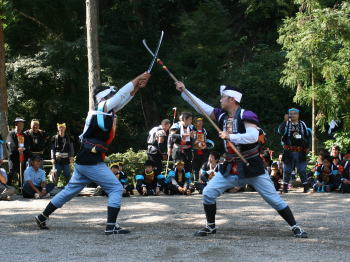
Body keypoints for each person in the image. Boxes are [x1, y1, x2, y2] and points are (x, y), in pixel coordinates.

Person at [175, 81, 307, 238]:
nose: (220, 100)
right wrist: (185, 91)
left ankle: (295, 226)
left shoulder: (246, 115)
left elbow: (252, 136)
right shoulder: (221, 115)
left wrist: (229, 136)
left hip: (252, 166)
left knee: (274, 199)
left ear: (231, 99)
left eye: (223, 97)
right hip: (231, 166)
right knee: (208, 193)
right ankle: (210, 227)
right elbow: (201, 106)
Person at [34, 72, 151, 234]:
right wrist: (138, 78)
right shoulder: (101, 108)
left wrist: (137, 86)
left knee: (68, 192)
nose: (114, 97)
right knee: (116, 188)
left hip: (84, 161)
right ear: (105, 97)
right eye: (111, 95)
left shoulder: (105, 110)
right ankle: (110, 227)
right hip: (91, 161)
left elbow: (124, 98)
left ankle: (42, 216)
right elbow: (121, 95)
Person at [278, 109, 312, 193]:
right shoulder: (286, 123)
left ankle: (305, 187)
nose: (293, 115)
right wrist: (284, 121)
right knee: (287, 170)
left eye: (295, 114)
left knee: (302, 170)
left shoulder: (302, 124)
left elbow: (307, 135)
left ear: (298, 115)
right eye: (291, 114)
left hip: (300, 151)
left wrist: (308, 147)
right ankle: (285, 187)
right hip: (288, 151)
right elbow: (280, 132)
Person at [6, 117, 29, 187]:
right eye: (20, 124)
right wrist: (17, 149)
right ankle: (7, 187)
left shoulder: (24, 135)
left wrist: (24, 149)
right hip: (14, 157)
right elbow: (10, 144)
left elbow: (27, 144)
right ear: (16, 124)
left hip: (22, 156)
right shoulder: (11, 134)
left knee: (22, 172)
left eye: (22, 124)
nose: (21, 126)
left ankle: (21, 188)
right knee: (12, 172)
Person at [192, 117, 209, 181]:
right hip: (195, 151)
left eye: (201, 121)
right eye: (199, 121)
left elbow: (208, 140)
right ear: (195, 123)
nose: (201, 122)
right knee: (195, 166)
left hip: (204, 150)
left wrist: (206, 144)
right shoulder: (192, 130)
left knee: (204, 165)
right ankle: (196, 181)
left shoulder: (205, 130)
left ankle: (203, 180)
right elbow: (190, 140)